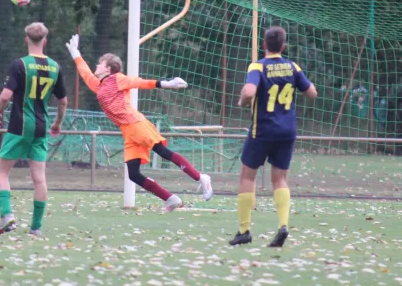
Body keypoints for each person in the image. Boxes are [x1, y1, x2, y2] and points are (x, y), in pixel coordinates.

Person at [65, 35, 213, 211]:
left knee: (163, 152)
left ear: (109, 68)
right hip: (128, 131)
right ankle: (171, 199)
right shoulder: (99, 85)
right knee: (134, 174)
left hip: (135, 123)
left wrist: (166, 84)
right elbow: (85, 72)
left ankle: (200, 177)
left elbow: (138, 82)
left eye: (100, 63)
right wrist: (75, 53)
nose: (96, 66)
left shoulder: (117, 78)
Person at [229, 26, 317, 247]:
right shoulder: (293, 66)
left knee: (247, 177)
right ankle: (283, 225)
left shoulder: (258, 66)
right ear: (283, 46)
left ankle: (244, 230)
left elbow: (249, 92)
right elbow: (312, 93)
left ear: (264, 45)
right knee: (280, 179)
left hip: (263, 130)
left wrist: (242, 101)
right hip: (287, 131)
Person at [0, 23, 68, 237]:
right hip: (41, 127)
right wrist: (58, 123)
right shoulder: (55, 67)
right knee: (39, 179)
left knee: (2, 172)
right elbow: (63, 101)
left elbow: (6, 96)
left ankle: (6, 215)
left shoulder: (19, 65)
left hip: (19, 125)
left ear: (26, 39)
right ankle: (36, 228)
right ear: (45, 40)